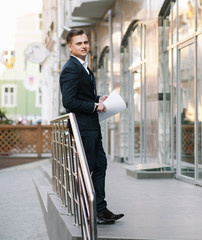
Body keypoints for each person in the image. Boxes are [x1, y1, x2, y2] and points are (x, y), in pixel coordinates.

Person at [59, 28, 124, 224]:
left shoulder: (84, 67)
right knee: (87, 169)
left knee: (100, 165)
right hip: (83, 129)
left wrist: (98, 98)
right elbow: (69, 101)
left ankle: (100, 210)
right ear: (70, 47)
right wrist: (95, 105)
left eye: (85, 42)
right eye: (79, 43)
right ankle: (88, 211)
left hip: (91, 128)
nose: (84, 46)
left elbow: (81, 96)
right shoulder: (71, 68)